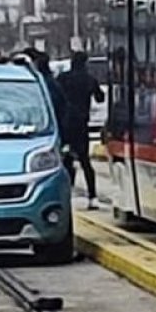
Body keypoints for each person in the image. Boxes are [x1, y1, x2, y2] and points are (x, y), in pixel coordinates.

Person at [57, 51, 106, 208]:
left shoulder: (63, 78)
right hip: (81, 124)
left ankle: (66, 195)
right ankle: (92, 196)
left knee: (65, 161)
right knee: (85, 162)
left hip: (64, 125)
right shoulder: (89, 80)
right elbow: (100, 98)